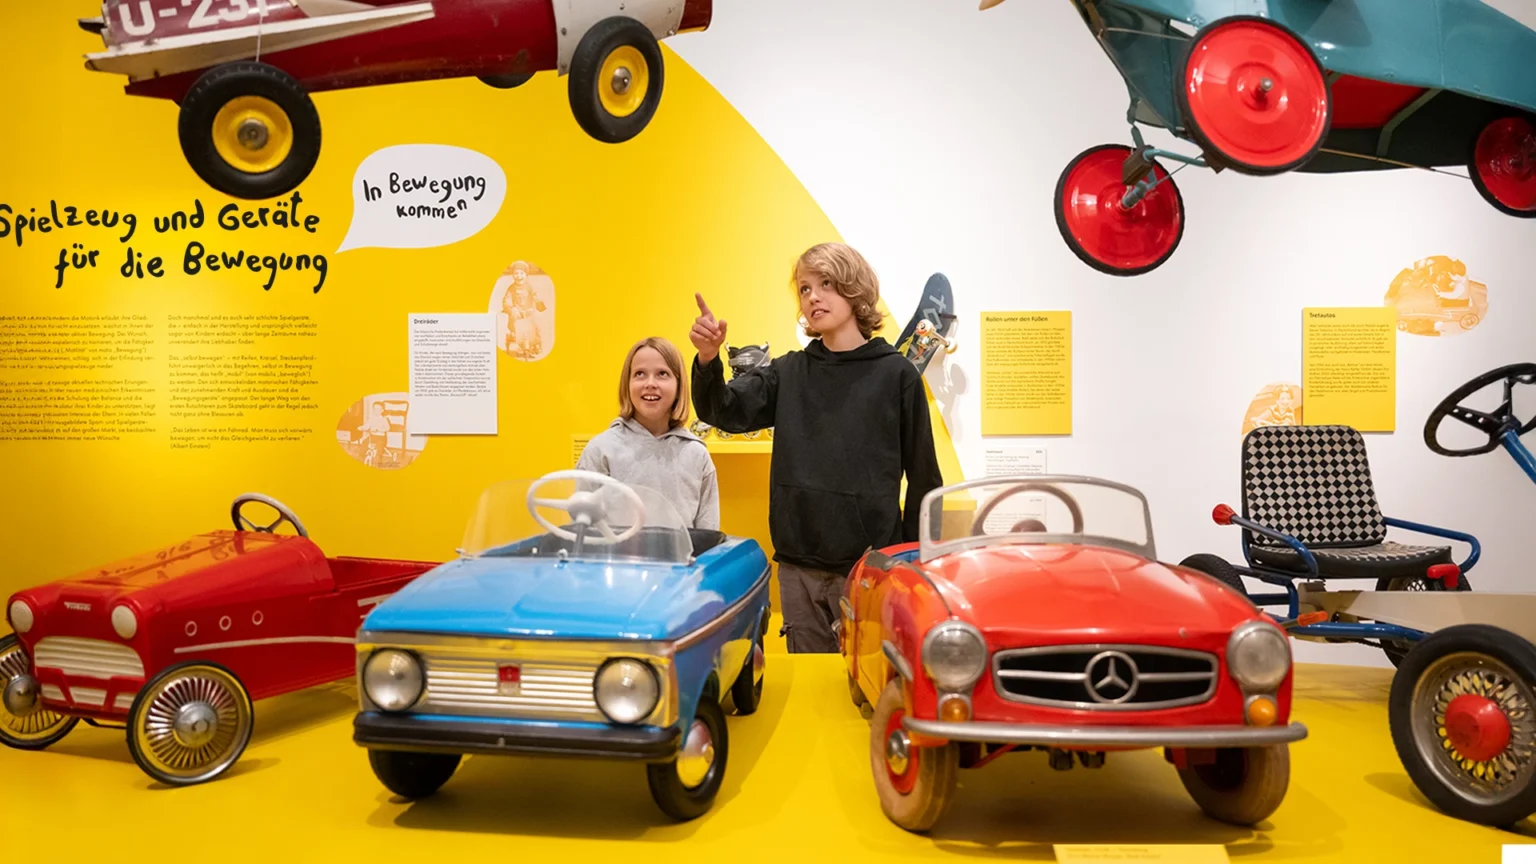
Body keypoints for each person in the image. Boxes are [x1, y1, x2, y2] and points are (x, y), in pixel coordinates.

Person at [689, 242, 944, 653]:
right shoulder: (790, 372)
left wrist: (913, 560)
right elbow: (725, 410)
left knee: (867, 688)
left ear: (854, 290)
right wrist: (707, 359)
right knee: (810, 693)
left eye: (825, 284)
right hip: (797, 565)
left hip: (869, 567)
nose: (813, 297)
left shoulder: (897, 375)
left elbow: (925, 479)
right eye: (805, 289)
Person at [578, 336, 720, 530]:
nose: (650, 383)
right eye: (639, 374)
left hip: (681, 561)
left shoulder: (696, 454)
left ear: (679, 386)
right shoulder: (600, 450)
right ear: (626, 384)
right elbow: (582, 527)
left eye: (662, 373)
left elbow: (708, 533)